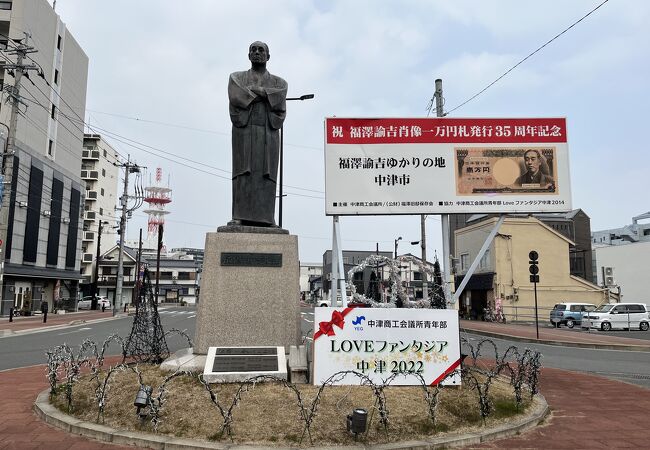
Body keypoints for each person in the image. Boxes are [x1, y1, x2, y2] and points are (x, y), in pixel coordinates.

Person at [228, 41, 288, 227]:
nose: (256, 53)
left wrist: (257, 92)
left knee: (266, 174)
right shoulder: (237, 77)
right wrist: (267, 95)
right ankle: (239, 215)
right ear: (248, 56)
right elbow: (236, 96)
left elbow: (280, 98)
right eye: (253, 50)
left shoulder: (279, 82)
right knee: (242, 172)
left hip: (268, 133)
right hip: (244, 131)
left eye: (261, 50)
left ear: (268, 56)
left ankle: (266, 218)